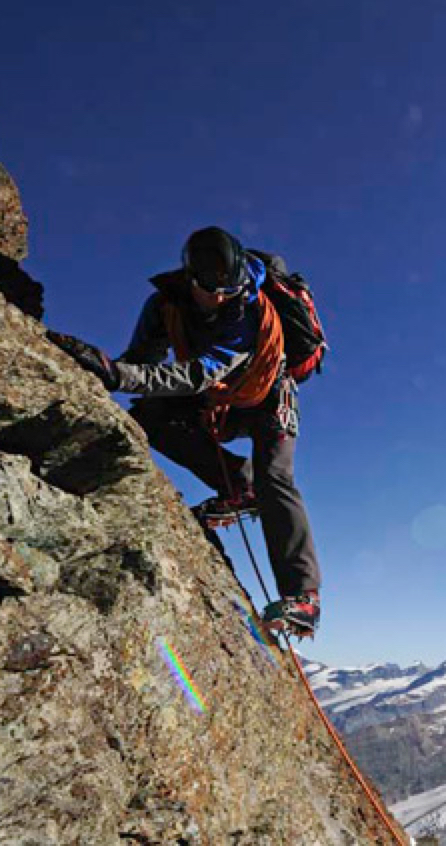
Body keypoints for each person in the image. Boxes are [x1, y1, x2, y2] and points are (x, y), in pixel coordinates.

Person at [48, 227, 322, 637]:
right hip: (220, 398)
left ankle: (303, 598)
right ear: (191, 279)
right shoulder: (165, 306)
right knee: (151, 416)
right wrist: (108, 371)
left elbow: (201, 371)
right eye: (212, 290)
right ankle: (237, 488)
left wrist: (118, 374)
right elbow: (143, 359)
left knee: (276, 477)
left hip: (269, 394)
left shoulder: (250, 309)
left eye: (229, 291)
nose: (221, 299)